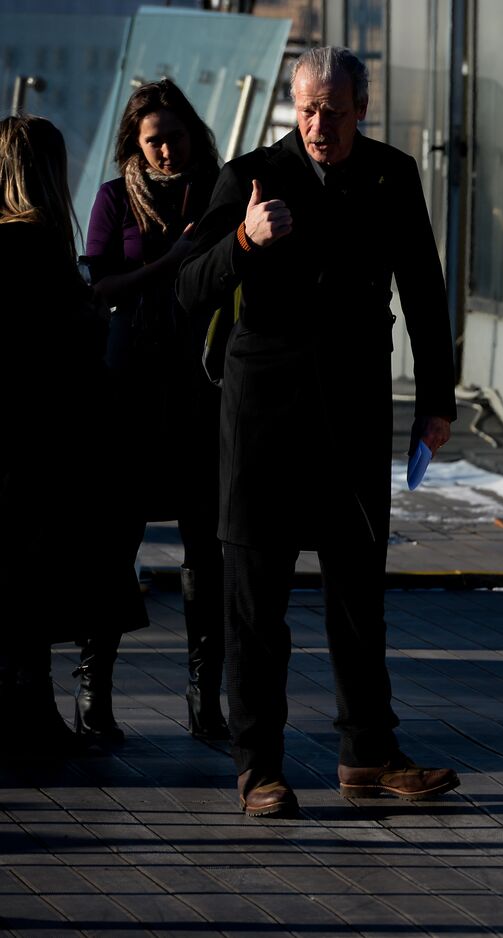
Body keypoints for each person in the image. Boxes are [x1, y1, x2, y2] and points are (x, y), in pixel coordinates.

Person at [176, 47, 459, 818]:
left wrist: (438, 398)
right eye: (306, 109)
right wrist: (243, 243)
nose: (318, 124)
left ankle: (368, 753)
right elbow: (185, 289)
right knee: (255, 603)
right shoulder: (250, 175)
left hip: (355, 410)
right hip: (263, 415)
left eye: (333, 110)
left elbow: (425, 290)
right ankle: (258, 767)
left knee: (358, 598)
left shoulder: (392, 174)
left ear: (361, 107)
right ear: (290, 107)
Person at [79, 78, 226, 746]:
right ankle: (94, 693)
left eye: (175, 135)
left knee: (205, 549)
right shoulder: (115, 199)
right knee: (115, 540)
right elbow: (100, 284)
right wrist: (167, 265)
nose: (167, 149)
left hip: (201, 389)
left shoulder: (221, 193)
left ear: (194, 132)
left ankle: (205, 699)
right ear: (134, 145)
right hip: (130, 389)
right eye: (153, 139)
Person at [0, 115, 139, 761]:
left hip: (16, 441)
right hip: (41, 443)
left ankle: (29, 709)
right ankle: (34, 711)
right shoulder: (37, 247)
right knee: (33, 581)